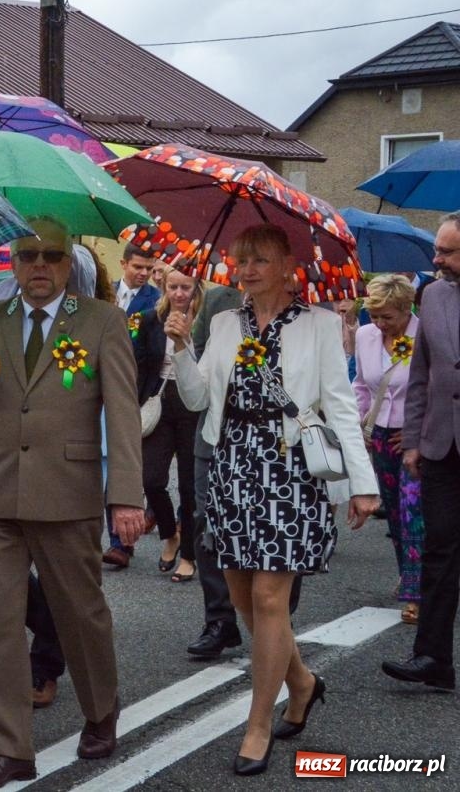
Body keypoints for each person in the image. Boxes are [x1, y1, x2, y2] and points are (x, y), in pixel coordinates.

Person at [0, 215, 144, 791]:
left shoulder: (102, 321)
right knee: (2, 623)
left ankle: (100, 710)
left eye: (50, 256)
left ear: (68, 263)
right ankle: (12, 749)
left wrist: (125, 496)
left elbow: (122, 412)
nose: (38, 267)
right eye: (27, 256)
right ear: (13, 263)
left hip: (67, 491)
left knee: (81, 614)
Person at [169, 223, 378, 775]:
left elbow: (340, 406)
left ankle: (258, 723)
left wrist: (363, 484)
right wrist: (180, 348)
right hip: (233, 464)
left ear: (289, 266)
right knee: (243, 595)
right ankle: (302, 681)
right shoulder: (223, 322)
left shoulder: (319, 325)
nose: (248, 270)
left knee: (268, 598)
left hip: (292, 468)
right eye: (242, 261)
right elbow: (197, 398)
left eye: (261, 260)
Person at [383, 211, 460, 692]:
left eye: (447, 251)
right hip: (440, 445)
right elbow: (421, 375)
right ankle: (432, 657)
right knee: (439, 550)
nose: (436, 259)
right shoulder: (432, 295)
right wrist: (412, 440)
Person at [353, 275, 424, 624]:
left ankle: (418, 594)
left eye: (388, 317)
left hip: (416, 438)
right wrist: (360, 424)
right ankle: (408, 575)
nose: (380, 323)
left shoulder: (424, 335)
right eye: (374, 315)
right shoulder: (365, 335)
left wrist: (416, 431)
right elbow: (361, 385)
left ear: (407, 309)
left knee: (414, 515)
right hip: (379, 435)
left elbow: (436, 388)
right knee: (394, 514)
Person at [185, 281, 247, 661]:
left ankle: (275, 615)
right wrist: (180, 347)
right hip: (212, 436)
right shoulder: (217, 301)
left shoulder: (308, 310)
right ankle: (220, 620)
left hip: (274, 449)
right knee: (206, 524)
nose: (247, 268)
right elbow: (199, 369)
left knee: (262, 529)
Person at [103, 242, 163, 569]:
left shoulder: (155, 301)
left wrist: (146, 394)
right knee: (101, 461)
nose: (143, 273)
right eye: (138, 267)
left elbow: (155, 355)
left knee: (124, 465)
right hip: (100, 387)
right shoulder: (106, 294)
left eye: (148, 268)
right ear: (124, 264)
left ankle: (121, 544)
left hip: (134, 391)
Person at [140, 268, 199, 583]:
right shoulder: (152, 319)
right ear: (164, 287)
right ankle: (169, 534)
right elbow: (139, 364)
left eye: (185, 287)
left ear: (196, 288)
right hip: (159, 400)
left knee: (190, 485)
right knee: (151, 479)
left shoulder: (206, 322)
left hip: (193, 404)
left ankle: (189, 554)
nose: (178, 294)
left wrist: (186, 339)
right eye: (173, 287)